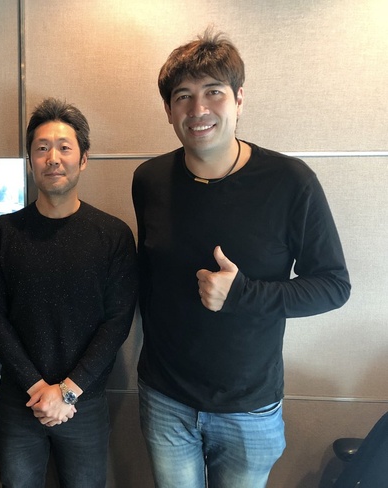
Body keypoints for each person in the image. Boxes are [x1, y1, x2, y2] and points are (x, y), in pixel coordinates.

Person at [132, 30, 351, 488]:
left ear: (239, 99)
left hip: (249, 407)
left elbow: (333, 285)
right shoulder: (148, 179)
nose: (198, 109)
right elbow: (148, 277)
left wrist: (243, 294)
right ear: (169, 110)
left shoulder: (290, 182)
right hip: (165, 397)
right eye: (183, 96)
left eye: (214, 91)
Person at [0, 97, 138, 488]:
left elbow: (118, 321)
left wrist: (67, 392)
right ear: (30, 160)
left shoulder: (113, 235)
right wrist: (38, 389)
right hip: (20, 399)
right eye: (42, 148)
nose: (53, 158)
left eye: (64, 147)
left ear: (83, 159)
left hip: (85, 399)